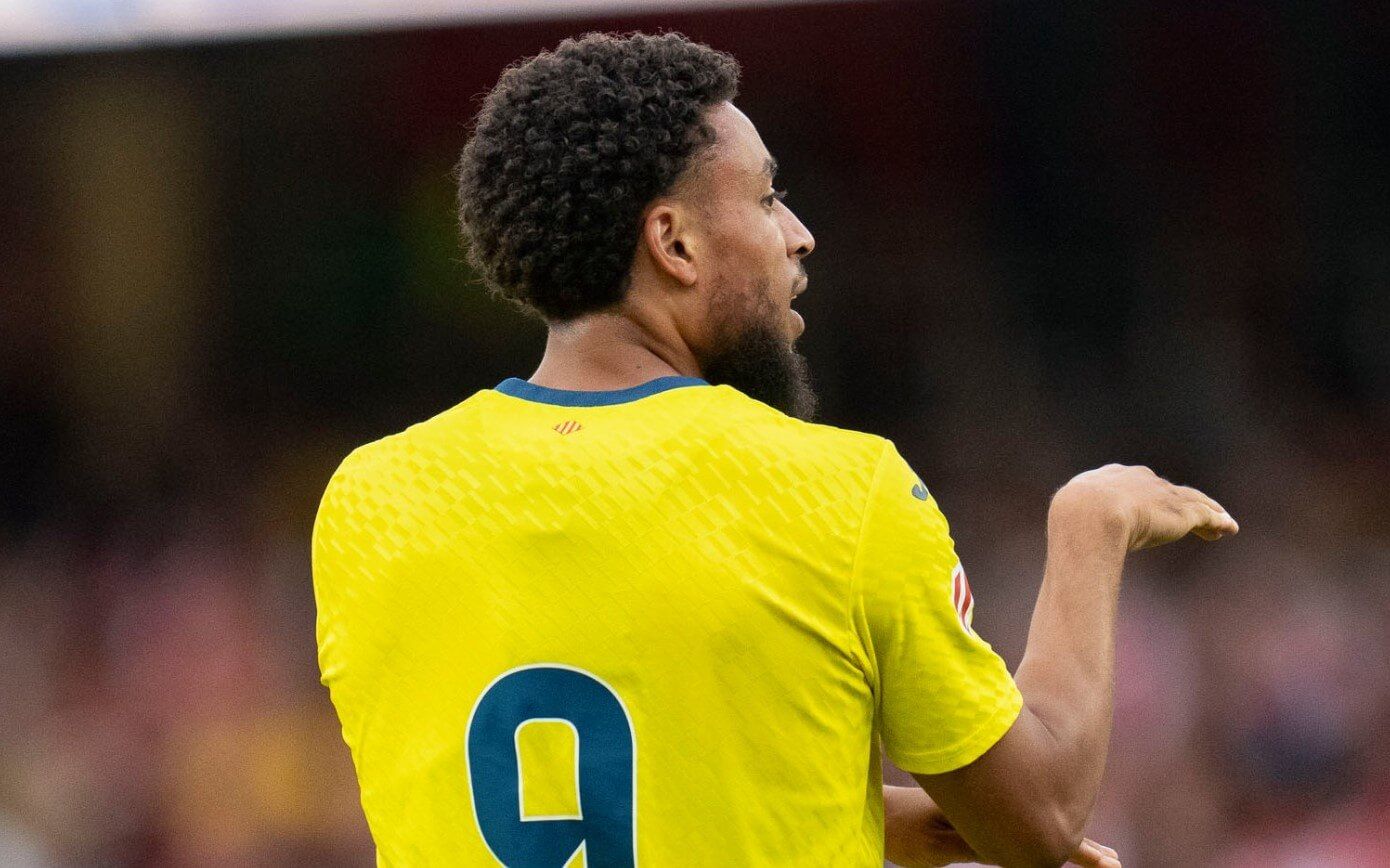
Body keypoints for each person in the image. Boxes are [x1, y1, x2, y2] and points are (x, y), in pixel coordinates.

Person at [312, 31, 1238, 867]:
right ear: (674, 243)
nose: (799, 235)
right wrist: (1090, 526)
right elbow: (1038, 818)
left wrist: (863, 815)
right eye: (765, 198)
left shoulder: (372, 501)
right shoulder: (838, 491)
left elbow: (577, 767)